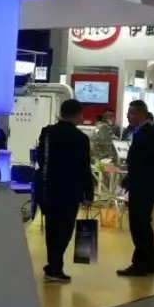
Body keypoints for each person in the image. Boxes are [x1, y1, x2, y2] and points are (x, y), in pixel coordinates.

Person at [38, 99, 95, 284]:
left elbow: (40, 159)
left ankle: (53, 265)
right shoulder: (80, 138)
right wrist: (88, 192)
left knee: (52, 229)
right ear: (77, 114)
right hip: (69, 191)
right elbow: (84, 168)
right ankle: (55, 267)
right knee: (65, 230)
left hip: (48, 188)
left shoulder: (47, 133)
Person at [119, 99, 154, 277]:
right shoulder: (145, 132)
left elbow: (146, 163)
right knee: (143, 225)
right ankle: (148, 262)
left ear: (140, 114)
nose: (128, 116)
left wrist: (130, 179)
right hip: (144, 185)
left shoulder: (149, 134)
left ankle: (140, 264)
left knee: (139, 225)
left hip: (143, 187)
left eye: (131, 113)